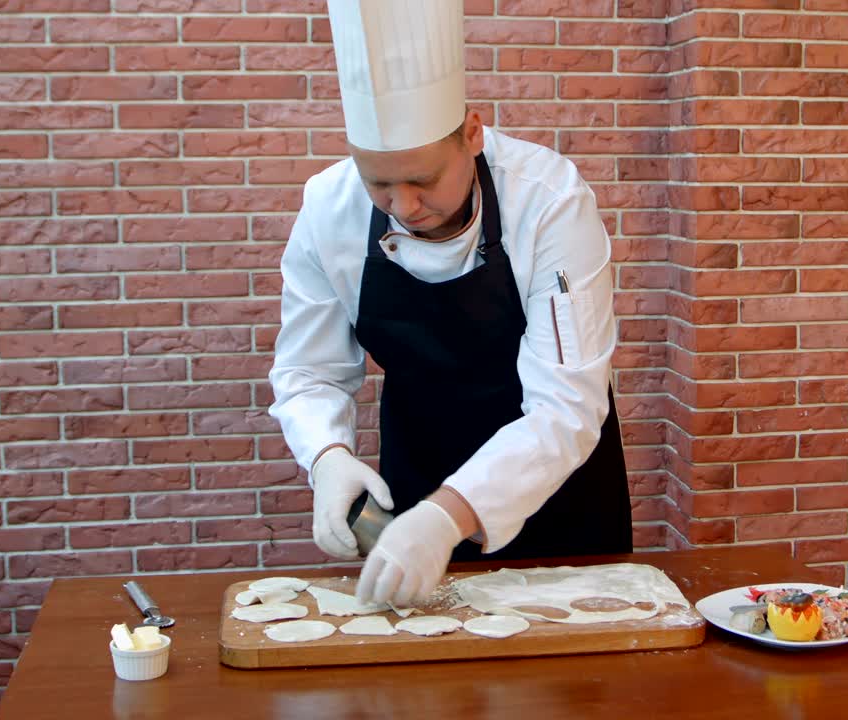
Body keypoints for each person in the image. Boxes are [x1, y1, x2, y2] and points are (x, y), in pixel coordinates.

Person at [267, 0, 631, 608]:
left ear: (472, 133)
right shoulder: (328, 209)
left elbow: (566, 406)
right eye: (378, 183)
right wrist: (326, 457)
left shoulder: (548, 200)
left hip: (560, 489)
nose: (403, 206)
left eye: (424, 179)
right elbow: (309, 371)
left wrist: (448, 517)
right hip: (417, 478)